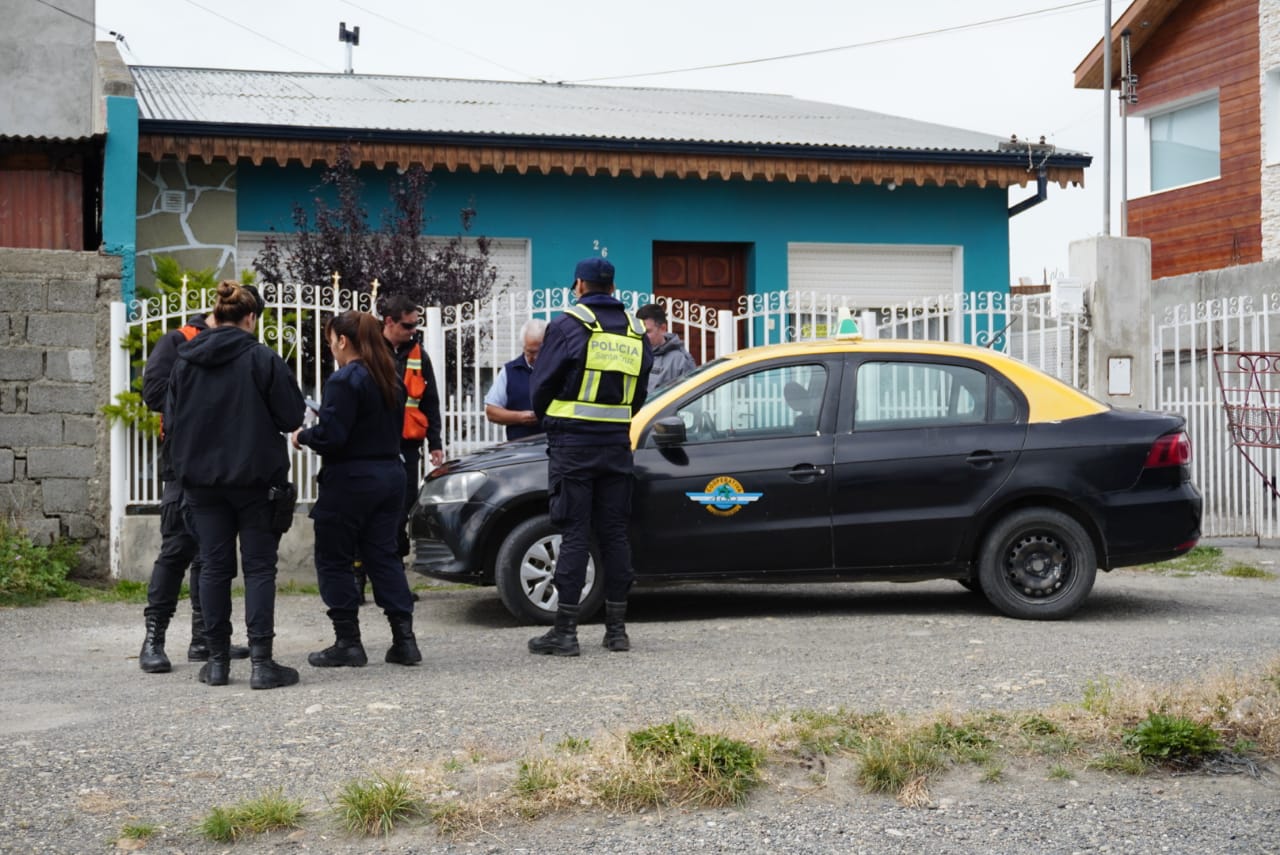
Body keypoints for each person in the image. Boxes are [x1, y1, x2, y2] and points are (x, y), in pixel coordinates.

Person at [165, 281, 306, 689]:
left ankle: (218, 663)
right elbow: (291, 416)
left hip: (201, 483)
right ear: (249, 318)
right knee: (259, 568)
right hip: (255, 481)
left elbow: (171, 424)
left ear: (217, 315)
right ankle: (262, 664)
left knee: (213, 567)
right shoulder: (263, 359)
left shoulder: (184, 361)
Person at [527, 257, 653, 656]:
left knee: (575, 533)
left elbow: (540, 387)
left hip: (573, 446)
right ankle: (616, 630)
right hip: (616, 445)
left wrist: (555, 419)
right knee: (615, 533)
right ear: (613, 288)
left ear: (579, 284)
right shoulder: (636, 329)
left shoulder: (567, 325)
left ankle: (565, 632)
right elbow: (640, 390)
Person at [291, 311, 421, 668]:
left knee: (334, 558)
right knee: (384, 555)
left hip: (350, 479)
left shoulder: (345, 379)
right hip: (390, 475)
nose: (330, 346)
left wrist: (304, 435)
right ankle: (404, 641)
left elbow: (334, 436)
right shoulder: (390, 376)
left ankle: (348, 641)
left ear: (343, 341)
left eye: (331, 339)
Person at [137, 309, 249, 672]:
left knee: (211, 554)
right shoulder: (178, 340)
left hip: (221, 463)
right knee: (177, 548)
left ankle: (205, 639)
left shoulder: (237, 348)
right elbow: (153, 393)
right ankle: (154, 639)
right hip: (184, 461)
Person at [378, 294, 444, 563]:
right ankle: (360, 576)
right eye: (408, 325)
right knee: (374, 508)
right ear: (389, 322)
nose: (413, 330)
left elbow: (431, 401)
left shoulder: (419, 356)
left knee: (403, 507)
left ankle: (394, 573)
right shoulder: (372, 352)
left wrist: (436, 443)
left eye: (416, 325)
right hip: (377, 445)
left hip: (408, 445)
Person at [484, 318, 546, 441]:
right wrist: (521, 417)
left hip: (555, 448)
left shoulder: (561, 368)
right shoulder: (510, 371)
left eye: (540, 351)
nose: (536, 357)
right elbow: (491, 411)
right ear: (523, 347)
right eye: (530, 352)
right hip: (520, 450)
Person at [635, 303, 697, 392]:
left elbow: (689, 397)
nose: (642, 336)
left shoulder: (680, 361)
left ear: (663, 328)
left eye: (647, 331)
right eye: (640, 331)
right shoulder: (633, 353)